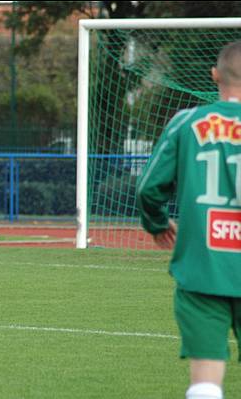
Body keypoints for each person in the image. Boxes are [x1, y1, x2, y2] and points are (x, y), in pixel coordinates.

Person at [136, 40, 241, 399]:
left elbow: (149, 189)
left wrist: (157, 223)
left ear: (214, 75)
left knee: (206, 381)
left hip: (202, 269)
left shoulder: (187, 122)